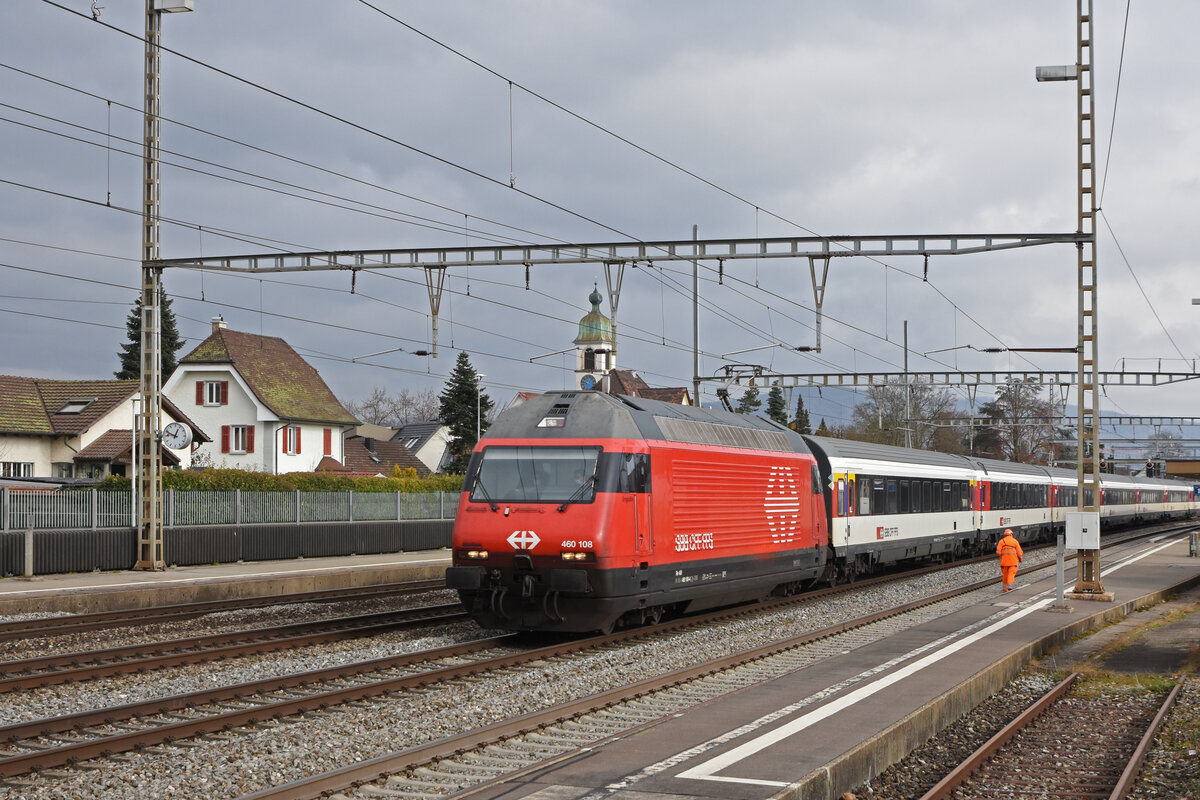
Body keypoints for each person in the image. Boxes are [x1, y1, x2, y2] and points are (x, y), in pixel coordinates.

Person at [996, 528, 1023, 592]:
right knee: (1011, 574)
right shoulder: (1015, 541)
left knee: (1005, 575)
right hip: (1013, 562)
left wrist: (1002, 556)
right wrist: (1020, 558)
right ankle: (1010, 587)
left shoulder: (1001, 541)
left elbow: (998, 552)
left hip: (1004, 562)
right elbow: (1019, 552)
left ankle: (1005, 589)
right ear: (1011, 534)